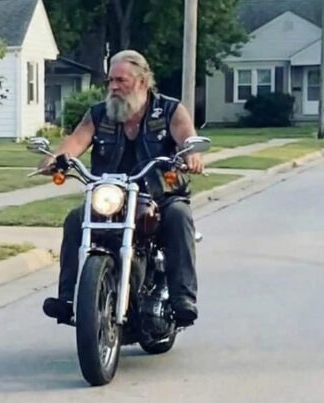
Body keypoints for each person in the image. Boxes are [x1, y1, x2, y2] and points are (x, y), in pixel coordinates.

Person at [39, 50, 204, 328]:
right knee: (75, 220)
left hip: (159, 195)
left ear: (142, 81)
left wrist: (192, 154)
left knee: (179, 216)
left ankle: (182, 299)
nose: (113, 87)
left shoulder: (169, 110)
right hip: (112, 195)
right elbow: (76, 141)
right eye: (110, 81)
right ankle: (68, 299)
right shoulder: (99, 114)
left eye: (121, 80)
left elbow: (187, 136)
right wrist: (54, 159)